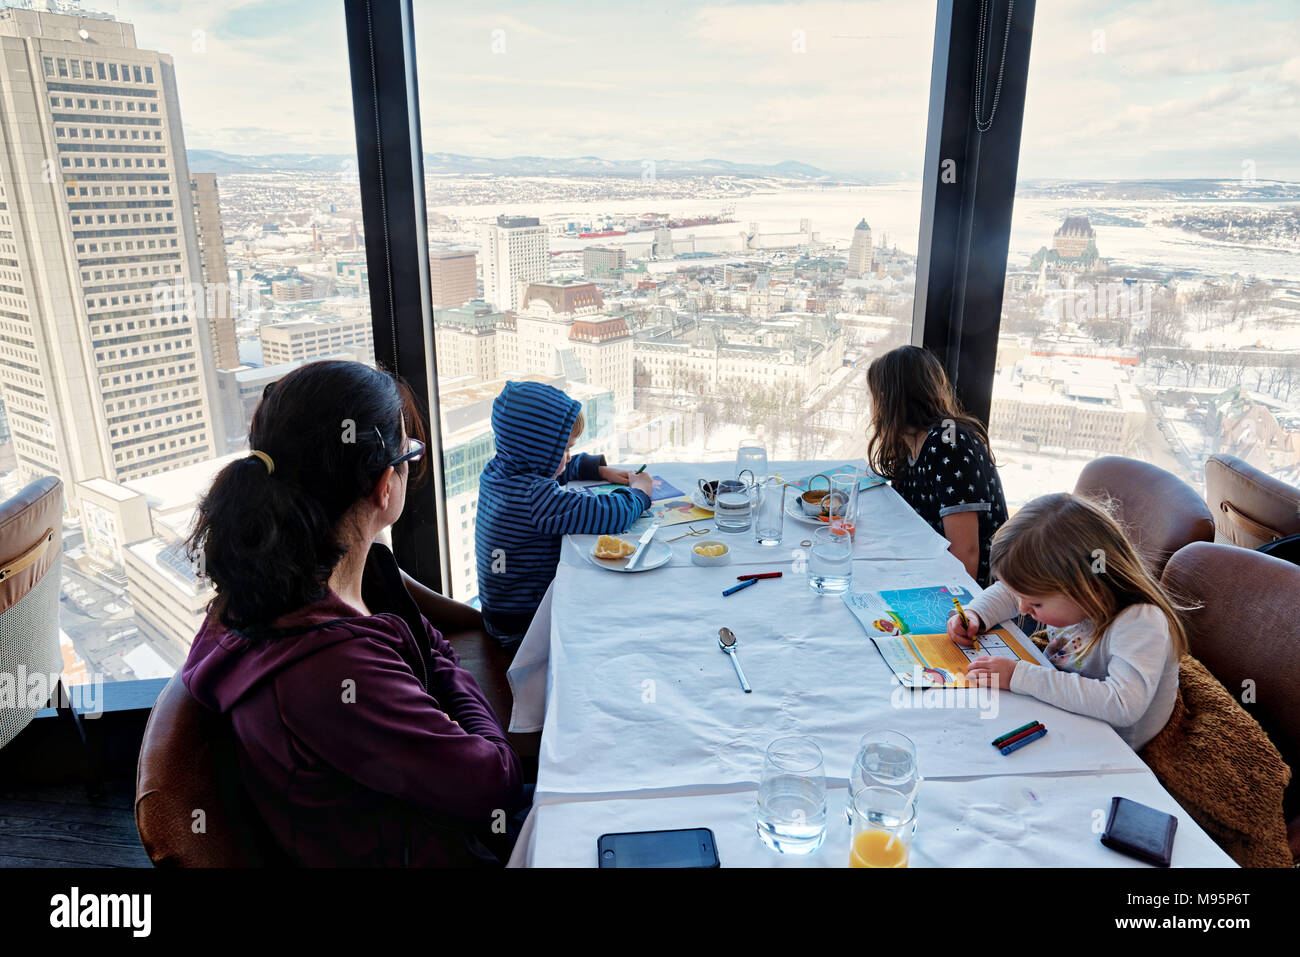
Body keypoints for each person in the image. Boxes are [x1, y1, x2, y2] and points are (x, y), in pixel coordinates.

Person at [182, 359, 524, 866]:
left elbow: (425, 642)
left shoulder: (287, 581)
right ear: (385, 485)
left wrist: (435, 669)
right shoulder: (333, 671)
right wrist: (450, 687)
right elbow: (496, 783)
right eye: (411, 455)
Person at [951, 492, 1188, 751]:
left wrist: (1020, 676)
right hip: (1072, 719)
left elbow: (1122, 704)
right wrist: (976, 614)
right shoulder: (1075, 596)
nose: (1022, 608)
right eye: (1022, 597)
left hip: (1116, 751)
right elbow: (1010, 592)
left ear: (1087, 588)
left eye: (1036, 604)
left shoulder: (1141, 623)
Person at [476, 380, 653, 647]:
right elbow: (605, 515)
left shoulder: (498, 470)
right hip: (526, 626)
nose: (569, 457)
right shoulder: (536, 499)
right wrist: (641, 494)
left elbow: (548, 469)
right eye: (565, 449)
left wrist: (597, 469)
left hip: (501, 614)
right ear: (538, 452)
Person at [866, 345, 1008, 587]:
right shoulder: (908, 444)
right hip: (928, 568)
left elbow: (967, 554)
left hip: (976, 592)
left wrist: (951, 614)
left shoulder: (949, 443)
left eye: (871, 396)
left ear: (885, 399)